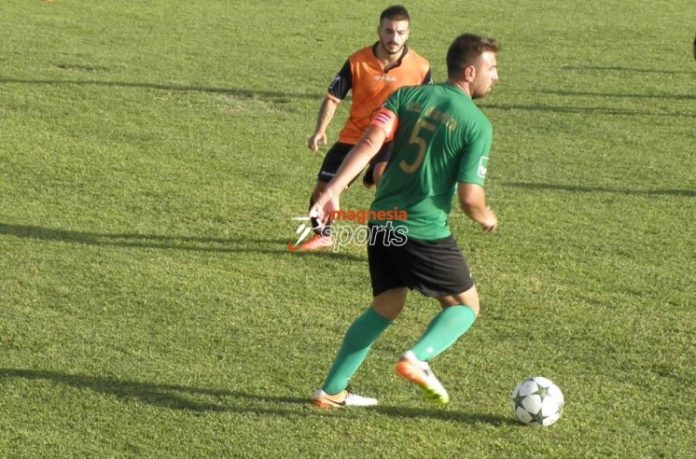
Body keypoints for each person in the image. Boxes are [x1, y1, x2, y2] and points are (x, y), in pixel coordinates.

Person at [309, 33, 501, 409]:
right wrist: (486, 216)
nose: (495, 76)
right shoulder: (477, 125)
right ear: (469, 72)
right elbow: (469, 197)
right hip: (422, 229)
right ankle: (418, 358)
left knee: (387, 304)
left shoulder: (405, 96)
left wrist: (332, 190)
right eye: (491, 69)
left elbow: (369, 142)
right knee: (466, 307)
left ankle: (331, 391)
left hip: (381, 222)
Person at [298, 5, 432, 251]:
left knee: (385, 179)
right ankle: (323, 235)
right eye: (389, 31)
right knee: (324, 187)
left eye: (400, 32)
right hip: (355, 135)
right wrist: (320, 130)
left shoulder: (420, 67)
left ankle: (397, 242)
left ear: (408, 33)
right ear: (379, 30)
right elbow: (333, 97)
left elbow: (427, 107)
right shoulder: (357, 61)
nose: (394, 38)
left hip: (392, 139)